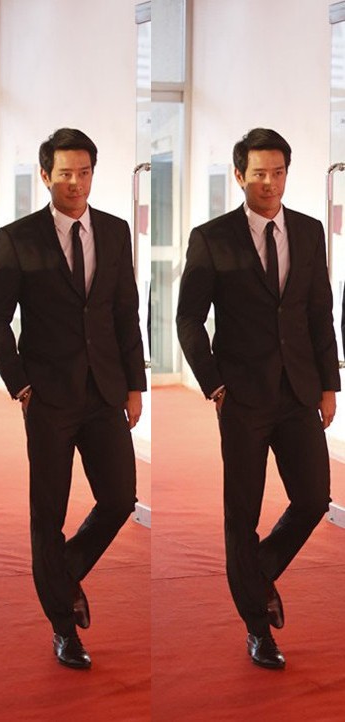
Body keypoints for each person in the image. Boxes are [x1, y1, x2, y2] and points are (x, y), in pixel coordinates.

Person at [0, 128, 146, 669]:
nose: (75, 182)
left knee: (119, 498)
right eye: (65, 173)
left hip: (104, 392)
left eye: (84, 172)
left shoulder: (116, 232)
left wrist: (134, 385)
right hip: (48, 397)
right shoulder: (18, 238)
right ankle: (63, 630)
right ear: (46, 175)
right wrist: (21, 384)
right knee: (48, 511)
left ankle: (61, 574)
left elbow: (125, 313)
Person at [177, 127, 340, 670]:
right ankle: (258, 630)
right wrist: (215, 384)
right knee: (242, 512)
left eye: (278, 171)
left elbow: (319, 314)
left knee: (314, 499)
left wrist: (328, 385)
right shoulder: (212, 238)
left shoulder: (310, 232)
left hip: (298, 392)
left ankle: (256, 575)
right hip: (242, 397)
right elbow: (188, 318)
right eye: (259, 173)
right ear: (240, 174)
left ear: (287, 173)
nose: (269, 182)